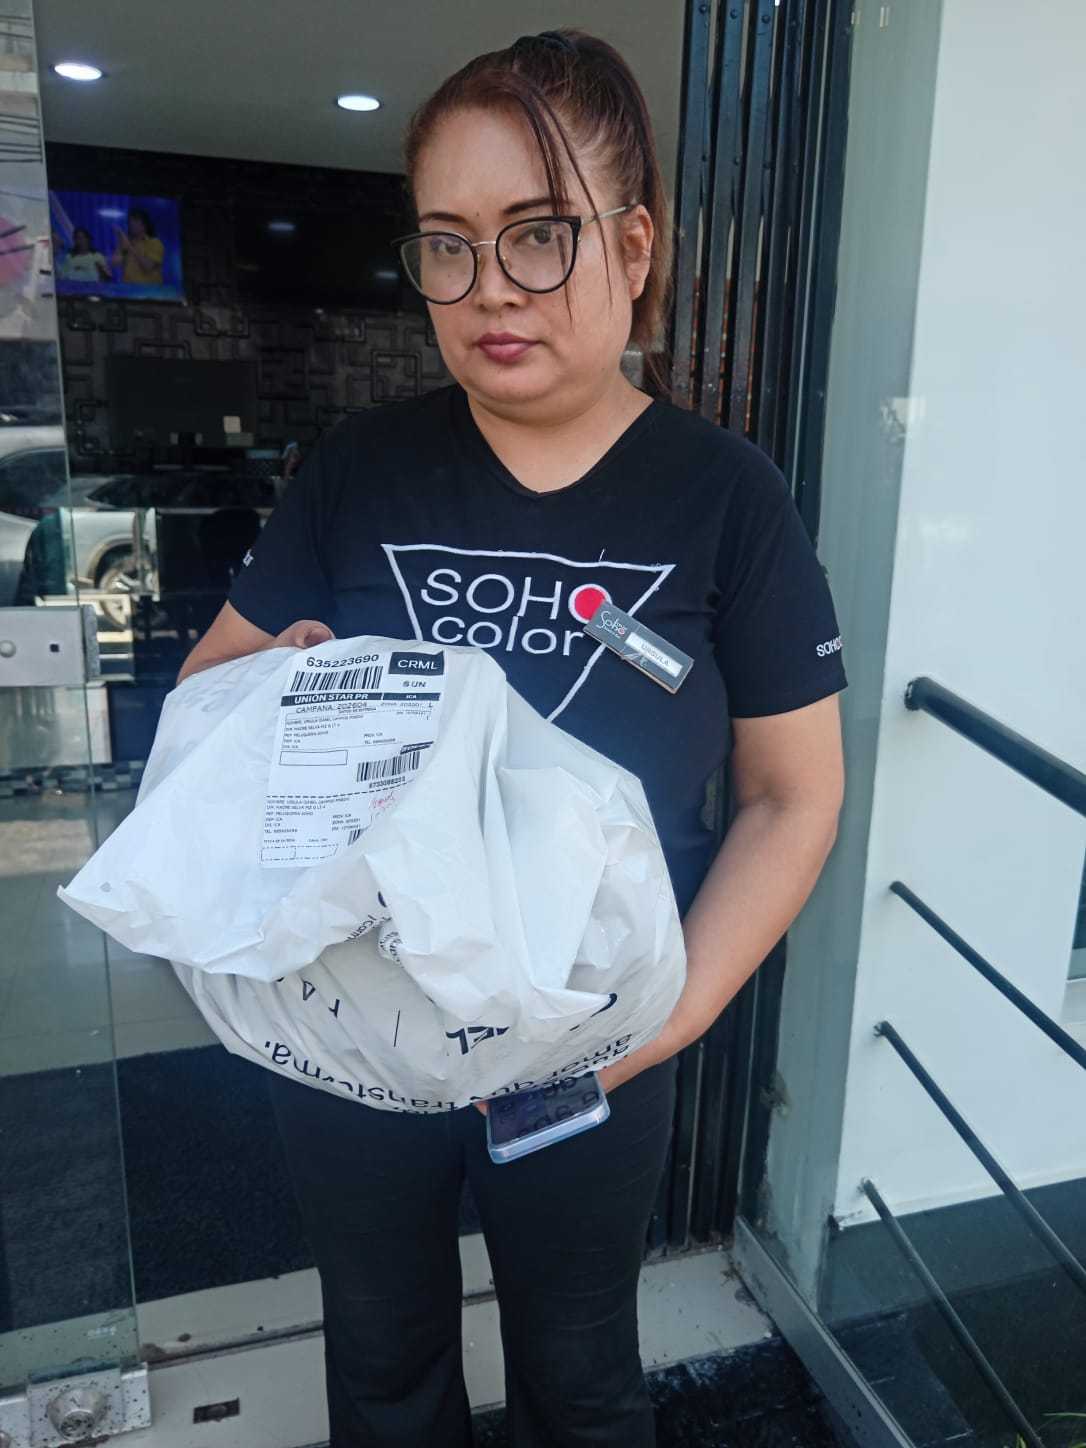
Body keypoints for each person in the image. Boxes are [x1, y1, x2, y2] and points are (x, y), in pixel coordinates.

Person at [177, 29, 847, 1448]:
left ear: (635, 245)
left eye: (539, 235)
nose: (489, 287)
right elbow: (213, 690)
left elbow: (792, 795)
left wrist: (659, 1024)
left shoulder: (727, 498)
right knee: (381, 1357)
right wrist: (276, 697)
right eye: (448, 243)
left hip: (593, 1050)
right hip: (355, 1026)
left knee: (582, 1369)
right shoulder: (359, 468)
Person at [111, 207, 164, 285]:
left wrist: (129, 247)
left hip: (149, 290)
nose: (131, 224)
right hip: (128, 288)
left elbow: (148, 266)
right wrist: (121, 245)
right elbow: (115, 262)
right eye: (130, 221)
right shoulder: (126, 243)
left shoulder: (155, 243)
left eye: (135, 221)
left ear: (144, 225)